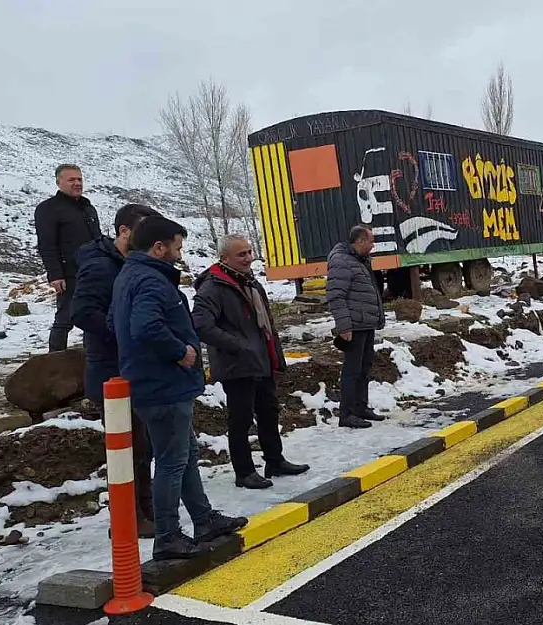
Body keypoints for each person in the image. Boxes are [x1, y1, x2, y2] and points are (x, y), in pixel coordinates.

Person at [110, 215, 247, 560]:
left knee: (183, 456)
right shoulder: (151, 281)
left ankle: (203, 520)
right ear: (159, 247)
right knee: (172, 462)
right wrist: (180, 351)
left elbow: (115, 322)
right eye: (177, 246)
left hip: (154, 381)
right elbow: (145, 326)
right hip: (162, 385)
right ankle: (168, 535)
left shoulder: (130, 275)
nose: (178, 253)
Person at [192, 234, 310, 489]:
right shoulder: (213, 287)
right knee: (241, 420)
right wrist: (237, 346)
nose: (248, 258)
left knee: (268, 412)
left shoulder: (251, 283)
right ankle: (244, 472)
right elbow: (201, 325)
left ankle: (274, 461)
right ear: (224, 258)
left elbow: (266, 325)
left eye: (249, 252)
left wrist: (274, 357)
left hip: (261, 360)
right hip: (237, 365)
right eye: (241, 254)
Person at [71, 203, 159, 538]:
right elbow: (82, 313)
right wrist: (123, 329)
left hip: (133, 367)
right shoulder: (99, 266)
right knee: (128, 447)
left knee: (143, 445)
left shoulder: (130, 263)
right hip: (111, 373)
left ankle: (147, 510)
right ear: (124, 232)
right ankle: (128, 518)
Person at [35, 164, 101, 352]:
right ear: (59, 182)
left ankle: (93, 357)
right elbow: (47, 245)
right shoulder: (49, 209)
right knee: (64, 319)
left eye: (79, 179)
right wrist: (55, 274)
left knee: (94, 318)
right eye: (71, 180)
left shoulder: (88, 208)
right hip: (69, 274)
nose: (77, 183)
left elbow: (97, 240)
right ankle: (54, 362)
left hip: (94, 273)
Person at [326, 225, 387, 429]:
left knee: (364, 367)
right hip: (354, 325)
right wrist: (344, 327)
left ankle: (361, 407)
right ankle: (347, 414)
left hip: (365, 323)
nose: (373, 245)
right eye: (371, 241)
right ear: (360, 241)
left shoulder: (360, 260)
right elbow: (336, 296)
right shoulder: (342, 262)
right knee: (352, 370)